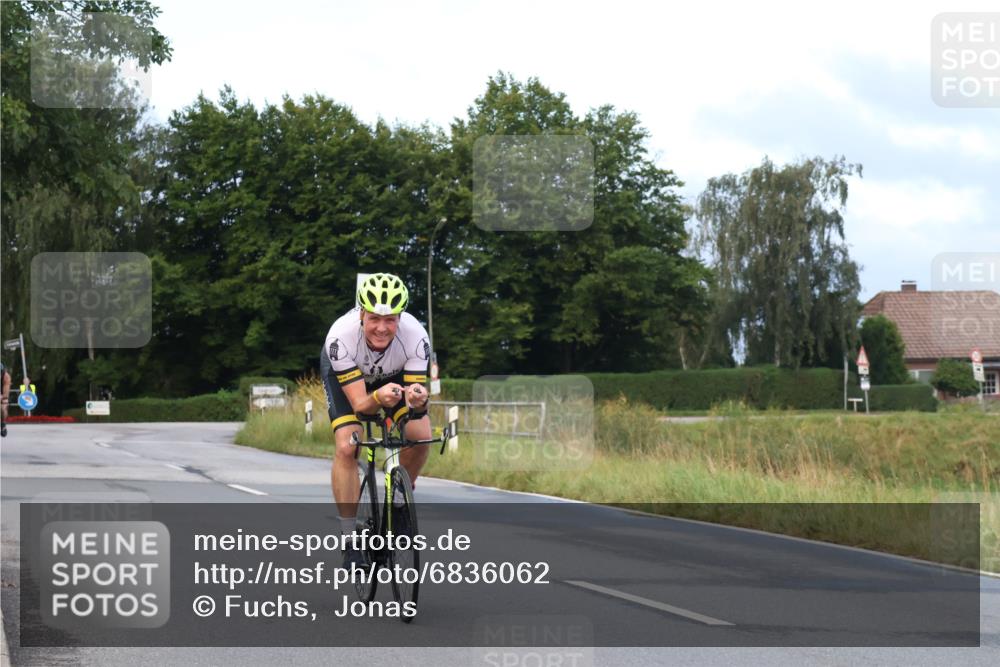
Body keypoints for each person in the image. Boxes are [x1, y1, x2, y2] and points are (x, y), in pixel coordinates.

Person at [321, 273, 431, 568]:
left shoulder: (416, 337)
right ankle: (348, 538)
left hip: (392, 376)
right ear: (361, 315)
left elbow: (415, 393)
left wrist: (418, 400)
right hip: (350, 381)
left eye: (390, 320)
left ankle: (398, 503)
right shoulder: (340, 337)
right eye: (374, 319)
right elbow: (361, 406)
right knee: (348, 445)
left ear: (400, 317)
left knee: (421, 433)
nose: (382, 328)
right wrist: (379, 398)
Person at [1, 362, 10, 437]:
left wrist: (4, 398)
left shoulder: (6, 376)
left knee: (3, 408)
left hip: (2, 393)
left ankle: (3, 424)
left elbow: (6, 392)